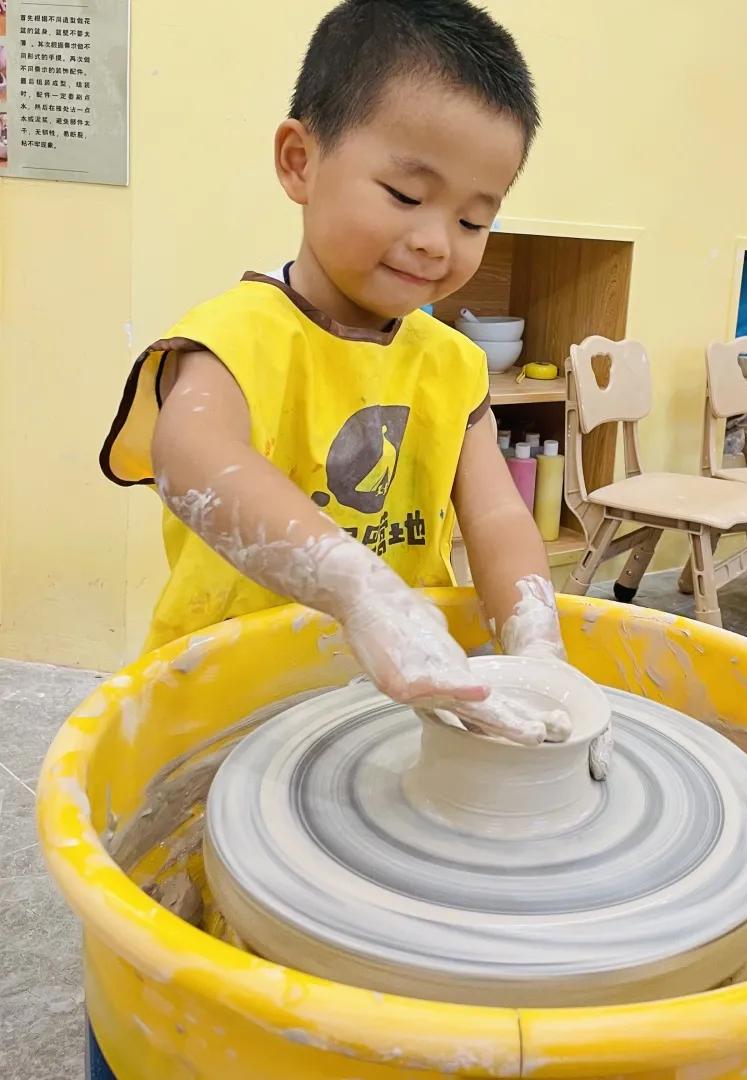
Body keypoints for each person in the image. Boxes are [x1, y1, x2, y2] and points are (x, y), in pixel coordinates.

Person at [100, 0, 609, 765]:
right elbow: (190, 454)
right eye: (406, 196)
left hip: (400, 696)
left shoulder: (451, 362)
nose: (436, 241)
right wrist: (360, 592)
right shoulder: (236, 335)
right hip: (234, 701)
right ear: (300, 162)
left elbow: (500, 519)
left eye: (474, 221)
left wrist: (537, 646)